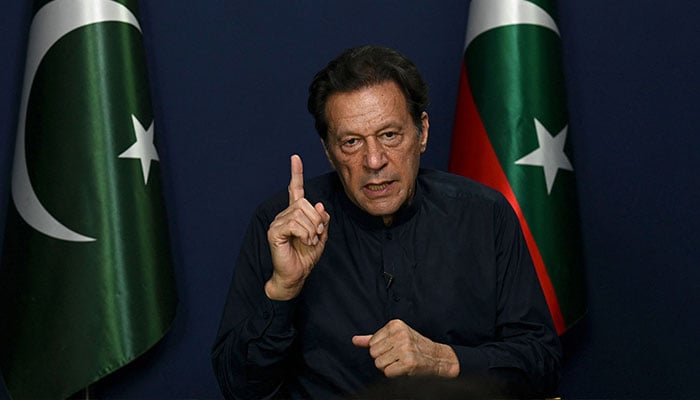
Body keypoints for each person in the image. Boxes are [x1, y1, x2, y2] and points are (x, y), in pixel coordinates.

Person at [211, 45, 562, 399]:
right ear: (329, 151)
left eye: (390, 135)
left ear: (421, 132)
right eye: (351, 142)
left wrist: (443, 361)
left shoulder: (486, 215)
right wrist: (282, 290)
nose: (374, 160)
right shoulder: (281, 227)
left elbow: (543, 364)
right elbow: (239, 388)